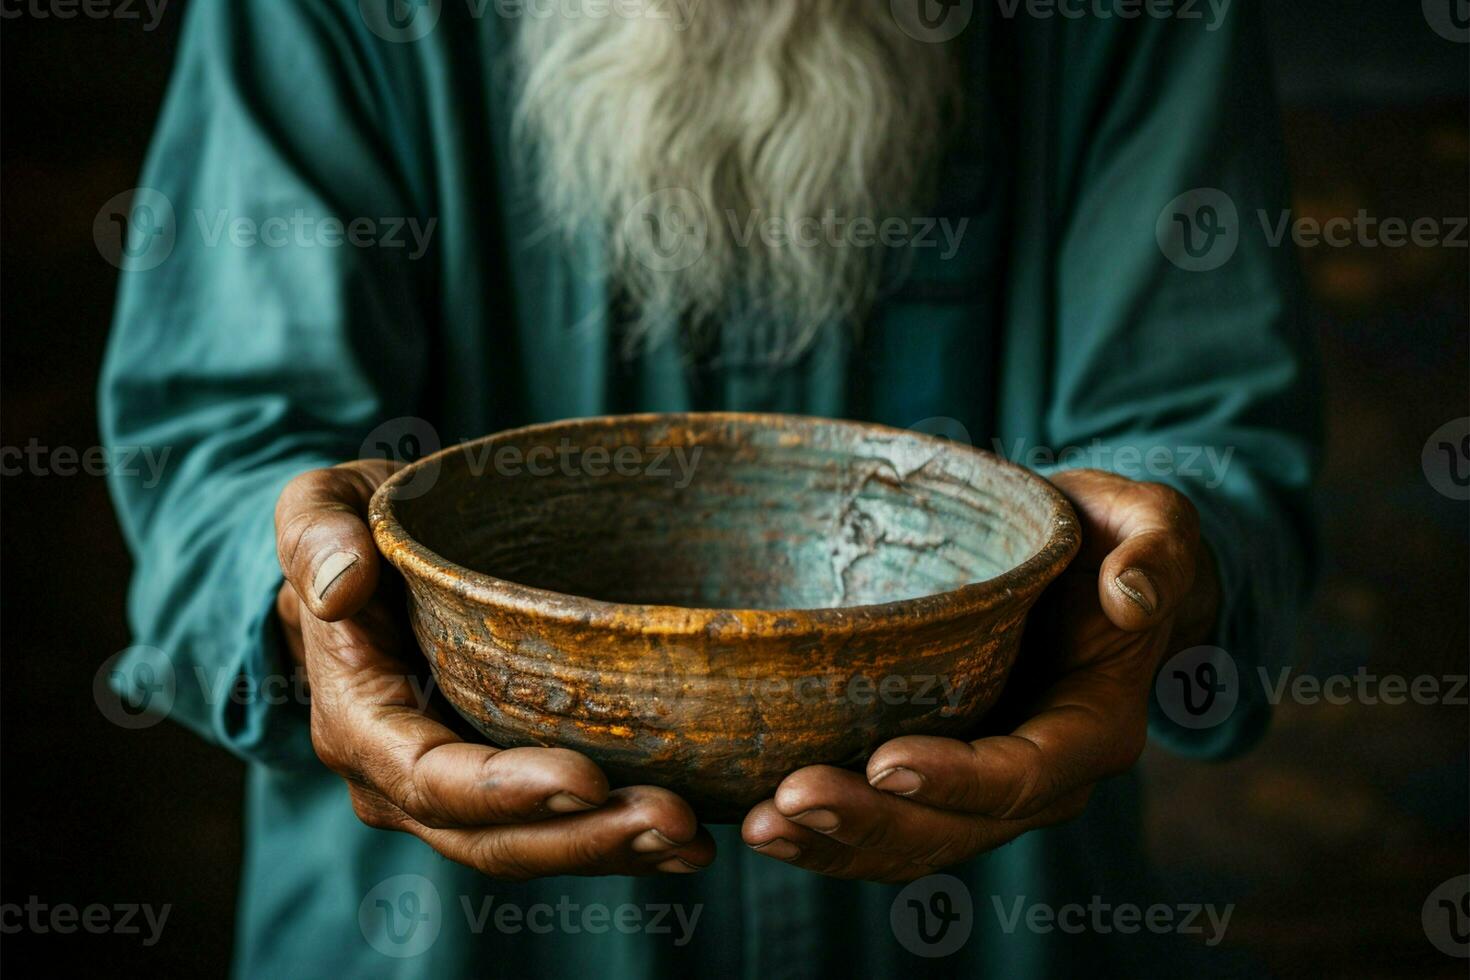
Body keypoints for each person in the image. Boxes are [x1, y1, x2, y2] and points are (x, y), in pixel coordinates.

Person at [100, 1, 1319, 976]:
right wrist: (307, 600)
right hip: (435, 931)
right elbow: (221, 443)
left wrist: (1158, 560)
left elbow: (1204, 437)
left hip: (994, 917)